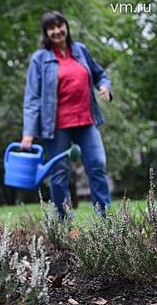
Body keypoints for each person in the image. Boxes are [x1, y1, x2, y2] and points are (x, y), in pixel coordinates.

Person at [21, 11, 112, 217]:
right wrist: (29, 132)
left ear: (66, 27)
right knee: (59, 173)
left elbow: (100, 74)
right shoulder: (40, 59)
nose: (56, 31)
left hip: (86, 120)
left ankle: (105, 221)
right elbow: (32, 97)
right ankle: (63, 222)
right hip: (57, 126)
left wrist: (105, 86)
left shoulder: (80, 50)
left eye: (59, 25)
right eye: (51, 28)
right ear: (46, 33)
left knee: (97, 165)